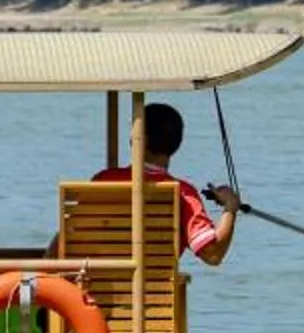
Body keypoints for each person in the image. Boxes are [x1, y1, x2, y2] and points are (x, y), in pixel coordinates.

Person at [93, 102, 241, 267]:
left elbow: (68, 239)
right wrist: (230, 207)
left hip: (96, 287)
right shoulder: (182, 193)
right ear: (177, 144)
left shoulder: (102, 180)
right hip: (155, 289)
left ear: (136, 140)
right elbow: (213, 255)